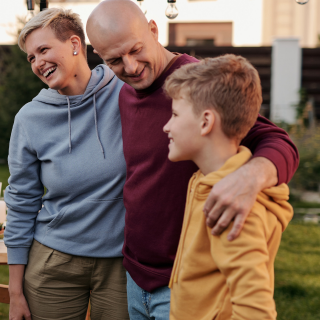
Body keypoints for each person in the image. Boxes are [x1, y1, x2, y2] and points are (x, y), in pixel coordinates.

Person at [86, 1, 299, 318]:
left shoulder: (193, 85)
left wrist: (249, 177)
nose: (129, 67)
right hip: (135, 274)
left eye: (135, 50)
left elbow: (279, 141)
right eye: (114, 60)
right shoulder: (125, 91)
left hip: (184, 281)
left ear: (154, 31)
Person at [4, 8, 129, 320]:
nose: (37, 63)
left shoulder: (126, 92)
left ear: (75, 44)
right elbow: (21, 203)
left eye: (43, 50)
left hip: (123, 262)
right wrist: (15, 292)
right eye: (31, 57)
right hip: (53, 262)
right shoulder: (30, 119)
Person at [163, 55, 293, 320]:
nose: (167, 126)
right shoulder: (205, 179)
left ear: (206, 122)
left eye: (175, 114)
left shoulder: (230, 206)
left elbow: (256, 312)